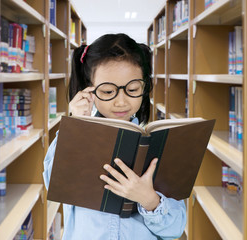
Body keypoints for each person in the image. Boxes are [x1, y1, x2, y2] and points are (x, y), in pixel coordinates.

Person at [43, 33, 187, 240]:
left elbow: (175, 230)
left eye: (132, 89)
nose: (121, 102)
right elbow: (52, 184)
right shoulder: (75, 134)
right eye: (108, 91)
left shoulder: (161, 145)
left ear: (144, 88)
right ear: (89, 87)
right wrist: (75, 125)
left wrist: (150, 200)